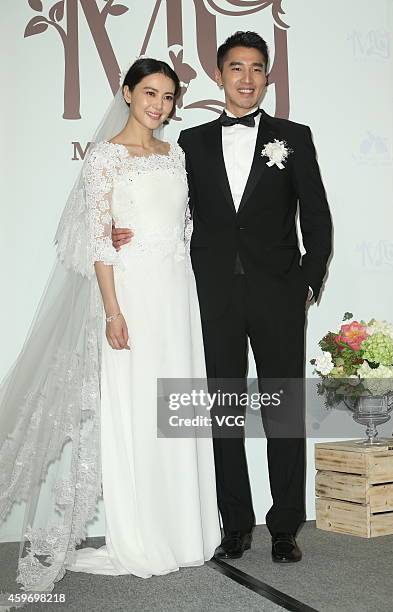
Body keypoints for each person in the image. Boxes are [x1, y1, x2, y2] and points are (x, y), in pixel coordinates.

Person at [0, 58, 220, 593]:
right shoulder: (104, 157)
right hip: (133, 298)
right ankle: (142, 533)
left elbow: (182, 229)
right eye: (150, 93)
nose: (159, 106)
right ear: (126, 94)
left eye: (168, 97)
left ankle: (186, 530)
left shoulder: (176, 156)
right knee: (138, 408)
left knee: (179, 404)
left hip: (177, 297)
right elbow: (100, 240)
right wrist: (114, 311)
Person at [112, 32, 333, 564]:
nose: (247, 79)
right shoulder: (192, 144)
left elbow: (318, 218)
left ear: (267, 74)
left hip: (279, 293)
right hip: (210, 296)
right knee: (222, 413)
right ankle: (235, 524)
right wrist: (127, 231)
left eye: (257, 68)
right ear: (219, 74)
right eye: (236, 68)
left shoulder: (294, 136)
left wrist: (305, 282)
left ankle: (284, 526)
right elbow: (167, 208)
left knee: (283, 412)